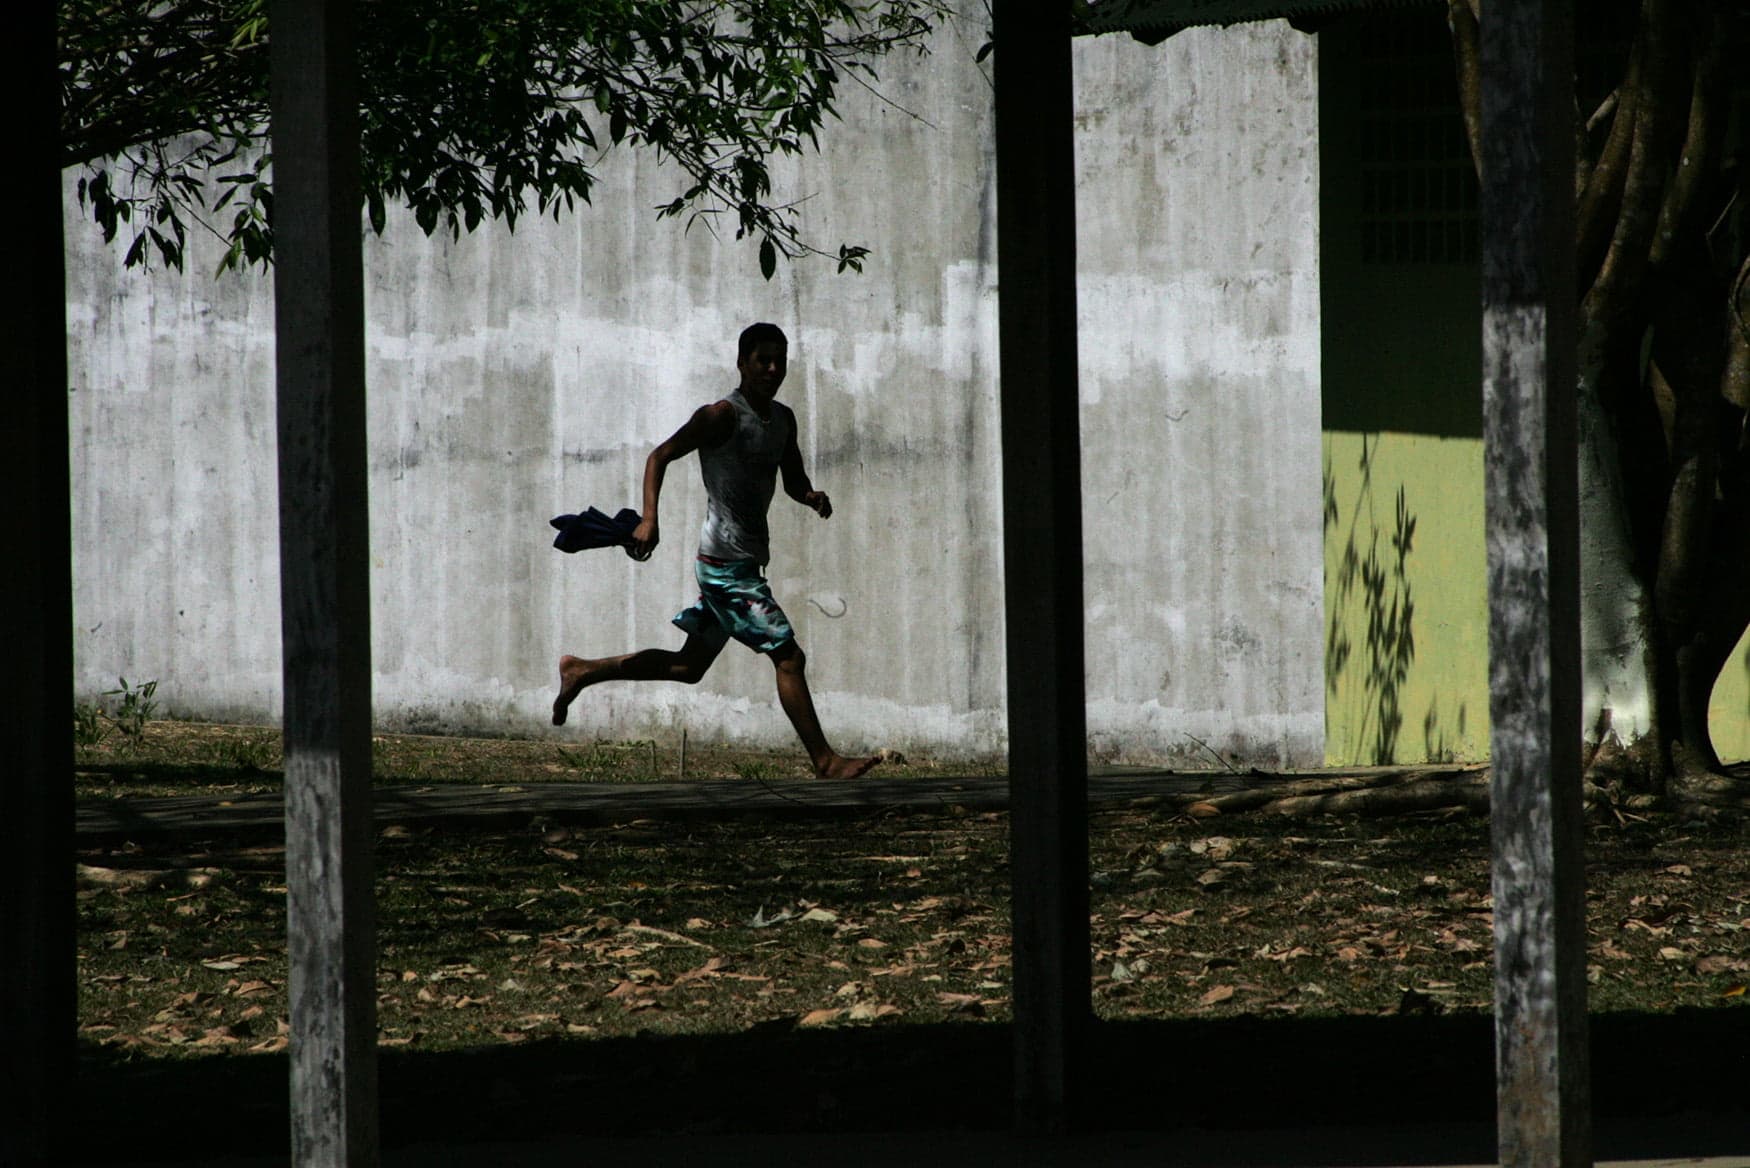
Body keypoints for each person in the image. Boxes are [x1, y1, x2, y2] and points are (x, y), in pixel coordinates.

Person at [551, 322, 881, 781]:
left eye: (779, 361)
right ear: (741, 362)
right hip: (724, 568)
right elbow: (659, 456)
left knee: (688, 666)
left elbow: (792, 478)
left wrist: (810, 497)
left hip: (744, 561)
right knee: (788, 657)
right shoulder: (721, 415)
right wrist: (649, 518)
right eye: (762, 359)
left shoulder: (783, 419)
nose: (771, 369)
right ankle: (825, 762)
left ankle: (582, 670)